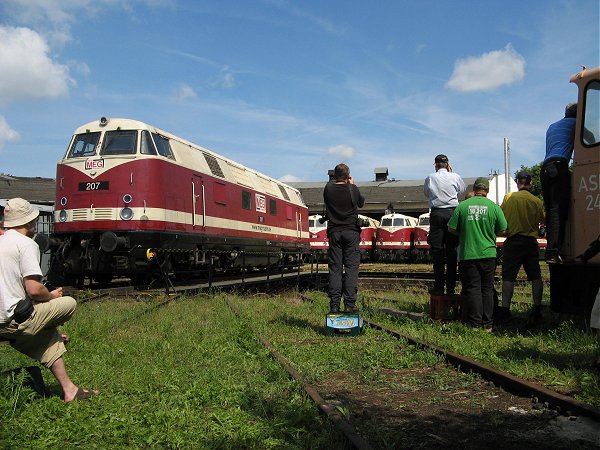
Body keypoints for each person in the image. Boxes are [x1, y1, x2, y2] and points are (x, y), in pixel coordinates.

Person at [0, 198, 99, 402]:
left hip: (7, 321)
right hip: (12, 322)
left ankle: (70, 390)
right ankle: (48, 326)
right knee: (68, 303)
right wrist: (51, 296)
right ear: (30, 222)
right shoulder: (25, 244)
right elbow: (35, 290)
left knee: (46, 337)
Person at [448, 177, 507, 331]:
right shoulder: (494, 207)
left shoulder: (463, 206)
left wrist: (464, 232)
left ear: (474, 190)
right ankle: (488, 324)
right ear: (487, 190)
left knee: (473, 288)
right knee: (487, 288)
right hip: (488, 253)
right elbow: (503, 229)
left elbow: (451, 228)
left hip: (469, 253)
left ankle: (475, 324)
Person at [498, 172, 545, 323]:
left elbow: (502, 215)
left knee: (508, 276)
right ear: (530, 183)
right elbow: (543, 220)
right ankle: (537, 309)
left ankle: (505, 309)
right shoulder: (537, 201)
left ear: (517, 182)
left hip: (513, 240)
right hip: (530, 241)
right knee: (536, 276)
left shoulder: (509, 198)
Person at [323, 163, 365, 313]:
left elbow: (331, 188)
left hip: (335, 232)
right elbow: (361, 202)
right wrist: (352, 184)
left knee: (335, 269)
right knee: (351, 268)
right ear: (348, 176)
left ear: (334, 176)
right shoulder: (352, 189)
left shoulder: (328, 189)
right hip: (351, 233)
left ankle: (334, 306)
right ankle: (349, 305)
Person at [423, 154, 466, 295]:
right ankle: (451, 288)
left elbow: (426, 193)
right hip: (452, 213)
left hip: (436, 214)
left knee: (438, 251)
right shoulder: (455, 176)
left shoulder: (430, 177)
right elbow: (462, 191)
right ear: (448, 165)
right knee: (452, 251)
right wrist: (451, 173)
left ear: (435, 165)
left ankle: (439, 286)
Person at [541, 102, 577, 263]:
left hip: (546, 169)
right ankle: (554, 252)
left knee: (551, 211)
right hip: (559, 165)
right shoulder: (576, 123)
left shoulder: (552, 126)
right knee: (559, 211)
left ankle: (551, 250)